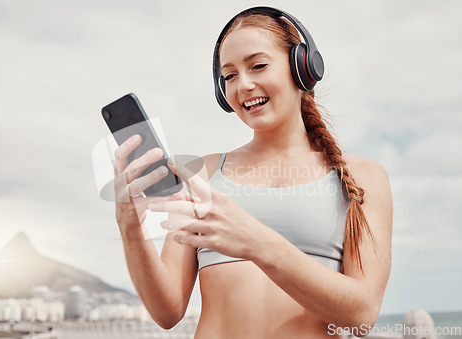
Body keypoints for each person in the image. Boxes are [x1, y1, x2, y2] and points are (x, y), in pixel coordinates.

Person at [113, 7, 392, 338]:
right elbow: (167, 311)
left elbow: (361, 314)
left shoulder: (364, 177)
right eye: (229, 76)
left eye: (258, 66)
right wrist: (130, 229)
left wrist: (258, 242)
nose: (243, 84)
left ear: (301, 67)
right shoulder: (200, 173)